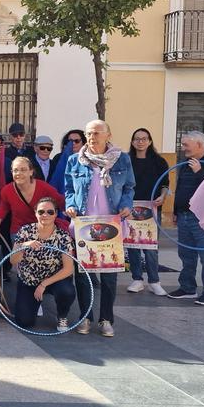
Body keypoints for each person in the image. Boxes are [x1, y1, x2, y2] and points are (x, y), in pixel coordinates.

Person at [65, 119, 135, 337]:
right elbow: (68, 187)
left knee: (109, 277)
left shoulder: (122, 159)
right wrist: (70, 205)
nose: (91, 137)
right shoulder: (75, 160)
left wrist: (126, 205)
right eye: (88, 133)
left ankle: (106, 319)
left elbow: (129, 187)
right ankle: (85, 317)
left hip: (110, 225)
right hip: (84, 224)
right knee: (83, 274)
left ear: (108, 134)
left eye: (96, 133)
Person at [167, 131, 204, 306]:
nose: (183, 149)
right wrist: (176, 210)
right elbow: (181, 186)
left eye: (186, 145)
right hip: (184, 215)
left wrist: (200, 172)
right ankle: (187, 288)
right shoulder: (185, 163)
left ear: (199, 145)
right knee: (186, 254)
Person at [10, 197, 76, 331]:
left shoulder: (63, 236)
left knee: (67, 291)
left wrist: (43, 284)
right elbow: (13, 260)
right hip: (29, 280)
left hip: (54, 280)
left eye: (50, 212)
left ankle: (62, 316)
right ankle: (35, 302)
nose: (45, 215)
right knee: (24, 321)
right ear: (35, 213)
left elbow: (69, 269)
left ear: (56, 214)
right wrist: (23, 245)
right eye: (41, 212)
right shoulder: (25, 231)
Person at [127, 128, 169, 296]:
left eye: (144, 139)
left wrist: (162, 196)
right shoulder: (127, 160)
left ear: (150, 141)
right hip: (130, 208)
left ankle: (154, 281)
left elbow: (165, 184)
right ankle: (137, 279)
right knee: (133, 245)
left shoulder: (159, 161)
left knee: (151, 247)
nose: (141, 142)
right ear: (132, 142)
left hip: (151, 209)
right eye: (137, 139)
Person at [0, 156, 64, 239]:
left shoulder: (44, 187)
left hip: (41, 231)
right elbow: (3, 208)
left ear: (31, 172)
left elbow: (60, 201)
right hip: (18, 232)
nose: (19, 173)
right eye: (15, 170)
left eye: (23, 170)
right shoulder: (7, 190)